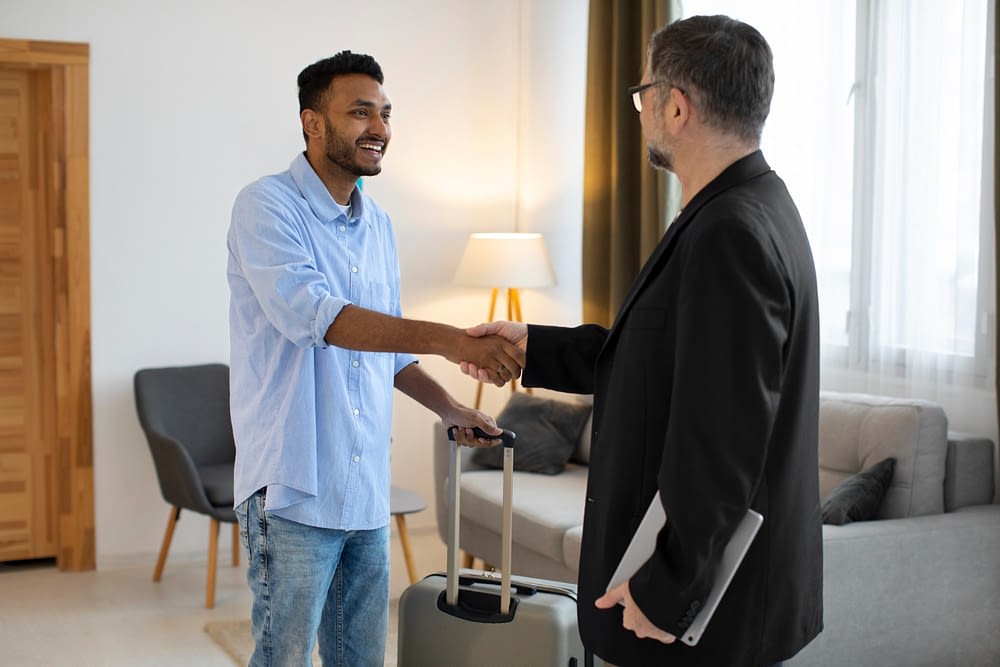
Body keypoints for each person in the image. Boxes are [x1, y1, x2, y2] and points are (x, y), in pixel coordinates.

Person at [463, 15, 823, 667]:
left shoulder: (729, 233)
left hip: (699, 623)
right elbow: (657, 356)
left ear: (675, 106)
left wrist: (667, 590)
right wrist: (530, 345)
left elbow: (723, 439)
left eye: (643, 95)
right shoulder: (744, 208)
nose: (640, 112)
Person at [226, 50, 523, 666]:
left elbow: (384, 352)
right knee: (281, 658)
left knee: (359, 659)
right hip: (293, 489)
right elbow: (318, 319)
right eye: (360, 112)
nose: (380, 129)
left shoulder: (379, 225)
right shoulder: (266, 206)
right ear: (312, 122)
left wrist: (447, 407)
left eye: (385, 114)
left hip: (363, 493)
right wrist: (452, 339)